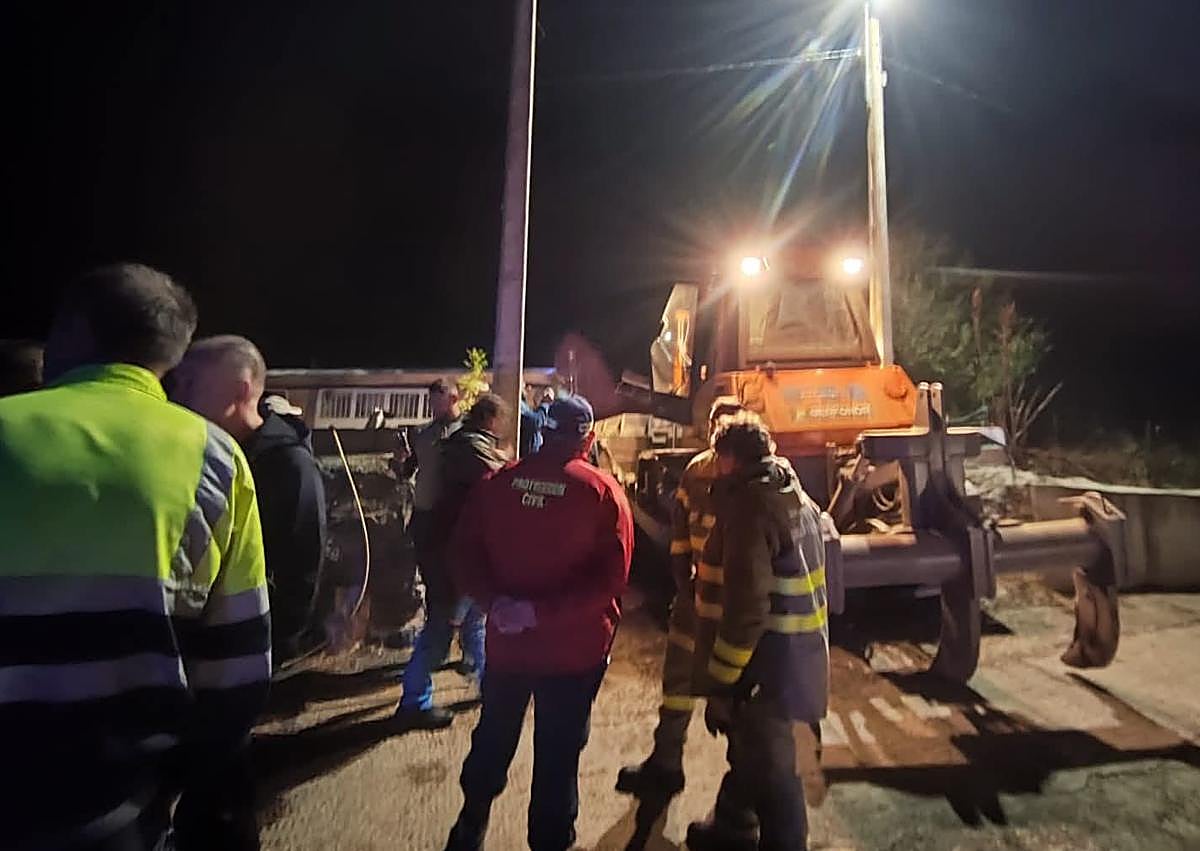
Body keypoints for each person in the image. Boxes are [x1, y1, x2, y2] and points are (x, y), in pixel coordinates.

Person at [0, 263, 270, 850]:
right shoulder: (215, 459)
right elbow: (238, 671)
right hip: (125, 804)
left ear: (72, 331)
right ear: (170, 354)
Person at [445, 395, 633, 851]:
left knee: (495, 731)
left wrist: (496, 604)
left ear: (542, 431)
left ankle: (470, 823)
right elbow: (610, 580)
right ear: (588, 437)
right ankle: (550, 840)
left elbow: (464, 555)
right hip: (573, 653)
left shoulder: (496, 484)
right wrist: (542, 613)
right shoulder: (602, 493)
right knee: (558, 752)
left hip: (509, 648)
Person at [686, 414, 830, 851]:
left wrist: (722, 684)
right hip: (797, 660)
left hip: (763, 672)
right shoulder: (794, 496)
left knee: (775, 778)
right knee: (752, 756)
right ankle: (731, 829)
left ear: (727, 458)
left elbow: (745, 611)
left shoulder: (750, 509)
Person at [169, 335, 327, 664]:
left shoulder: (288, 465)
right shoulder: (196, 451)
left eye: (191, 383)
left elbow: (301, 570)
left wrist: (271, 646)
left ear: (240, 391)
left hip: (241, 647)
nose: (178, 396)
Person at [616, 397, 743, 799]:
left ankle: (743, 786)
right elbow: (681, 537)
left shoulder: (759, 477)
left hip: (737, 604)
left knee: (740, 696)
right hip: (697, 598)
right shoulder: (696, 471)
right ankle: (666, 763)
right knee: (678, 683)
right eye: (716, 425)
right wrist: (683, 589)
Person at [395, 392, 510, 728]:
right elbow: (503, 475)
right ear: (491, 420)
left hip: (460, 552)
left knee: (476, 619)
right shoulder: (469, 446)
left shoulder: (464, 441)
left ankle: (485, 681)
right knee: (440, 630)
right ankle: (413, 702)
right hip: (454, 556)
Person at [518, 384, 553, 457]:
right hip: (526, 457)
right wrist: (545, 403)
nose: (528, 388)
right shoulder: (518, 403)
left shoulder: (524, 405)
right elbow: (535, 422)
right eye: (524, 385)